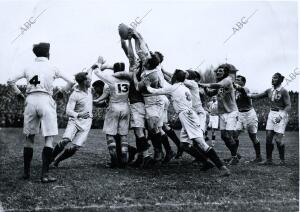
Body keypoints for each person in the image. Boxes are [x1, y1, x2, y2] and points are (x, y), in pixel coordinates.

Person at [7, 42, 74, 183]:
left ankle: (26, 173)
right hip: (46, 99)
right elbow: (72, 81)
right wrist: (62, 91)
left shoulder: (28, 67)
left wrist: (19, 93)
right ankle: (44, 175)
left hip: (31, 100)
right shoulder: (52, 67)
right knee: (49, 138)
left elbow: (10, 80)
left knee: (29, 138)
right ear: (48, 54)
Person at [145, 69, 231, 176]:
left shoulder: (176, 87)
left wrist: (147, 85)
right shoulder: (184, 87)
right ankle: (206, 162)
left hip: (188, 115)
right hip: (189, 114)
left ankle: (222, 167)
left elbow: (154, 91)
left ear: (175, 78)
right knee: (184, 144)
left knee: (200, 142)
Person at [93, 57, 131, 167]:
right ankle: (124, 159)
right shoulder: (128, 79)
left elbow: (96, 71)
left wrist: (99, 62)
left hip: (114, 107)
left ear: (114, 71)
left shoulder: (111, 79)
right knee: (123, 135)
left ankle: (114, 159)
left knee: (110, 135)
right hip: (125, 107)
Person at [199, 64, 240, 165]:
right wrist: (204, 88)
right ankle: (235, 155)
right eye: (217, 71)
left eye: (220, 71)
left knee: (229, 135)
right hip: (222, 113)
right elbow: (210, 93)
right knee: (224, 136)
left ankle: (234, 157)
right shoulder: (220, 83)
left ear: (225, 73)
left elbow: (218, 85)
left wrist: (205, 85)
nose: (218, 72)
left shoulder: (228, 80)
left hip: (231, 112)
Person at [51, 71, 93, 167]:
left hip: (87, 123)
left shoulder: (89, 91)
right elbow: (68, 111)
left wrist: (94, 66)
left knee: (75, 147)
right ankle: (51, 157)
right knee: (66, 140)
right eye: (88, 79)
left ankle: (57, 160)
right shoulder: (75, 95)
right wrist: (79, 115)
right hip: (74, 121)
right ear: (83, 82)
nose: (90, 80)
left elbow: (89, 72)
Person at [249, 73, 291, 165]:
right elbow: (257, 96)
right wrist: (247, 94)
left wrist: (281, 116)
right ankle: (269, 160)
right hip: (271, 114)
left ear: (280, 80)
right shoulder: (269, 90)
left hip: (281, 114)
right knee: (268, 138)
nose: (272, 79)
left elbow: (288, 106)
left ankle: (282, 160)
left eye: (275, 78)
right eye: (272, 78)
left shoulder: (284, 91)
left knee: (278, 140)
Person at [234, 75, 262, 163]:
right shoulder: (235, 92)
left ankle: (258, 157)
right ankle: (235, 155)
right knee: (234, 135)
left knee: (252, 136)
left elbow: (242, 90)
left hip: (249, 114)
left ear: (243, 82)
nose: (236, 81)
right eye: (236, 80)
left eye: (238, 80)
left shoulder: (245, 89)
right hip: (241, 114)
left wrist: (233, 85)